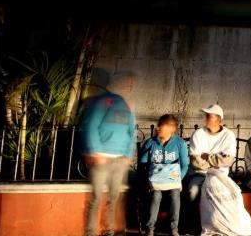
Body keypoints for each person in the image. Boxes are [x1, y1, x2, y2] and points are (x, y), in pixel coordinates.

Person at [189, 104, 251, 236]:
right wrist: (216, 159)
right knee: (192, 191)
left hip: (220, 176)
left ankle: (219, 223)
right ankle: (192, 224)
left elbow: (227, 161)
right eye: (205, 116)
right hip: (199, 174)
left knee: (232, 194)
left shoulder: (228, 135)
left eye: (209, 116)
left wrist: (206, 156)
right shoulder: (198, 134)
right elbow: (195, 163)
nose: (205, 118)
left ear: (219, 120)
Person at [80, 71, 137, 236]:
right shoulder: (103, 101)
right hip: (102, 159)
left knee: (113, 199)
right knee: (96, 199)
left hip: (120, 161)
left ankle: (109, 231)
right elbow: (91, 125)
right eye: (126, 83)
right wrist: (95, 151)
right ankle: (90, 232)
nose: (129, 86)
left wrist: (128, 154)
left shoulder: (126, 105)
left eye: (131, 84)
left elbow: (132, 132)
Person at [138, 114, 189, 236]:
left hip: (173, 180)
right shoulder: (151, 143)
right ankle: (150, 229)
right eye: (158, 125)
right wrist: (147, 180)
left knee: (175, 194)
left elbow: (185, 165)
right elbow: (142, 164)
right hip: (155, 181)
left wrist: (178, 180)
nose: (158, 128)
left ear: (172, 129)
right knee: (156, 195)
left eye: (162, 125)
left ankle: (174, 229)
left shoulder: (179, 143)